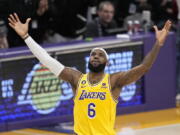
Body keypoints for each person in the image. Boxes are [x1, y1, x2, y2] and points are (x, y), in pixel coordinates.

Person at [8, 13, 171, 135]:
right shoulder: (76, 79)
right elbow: (46, 59)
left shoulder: (114, 81)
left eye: (100, 55)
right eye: (93, 54)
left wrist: (158, 44)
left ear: (107, 63)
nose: (96, 56)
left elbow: (144, 67)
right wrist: (26, 37)